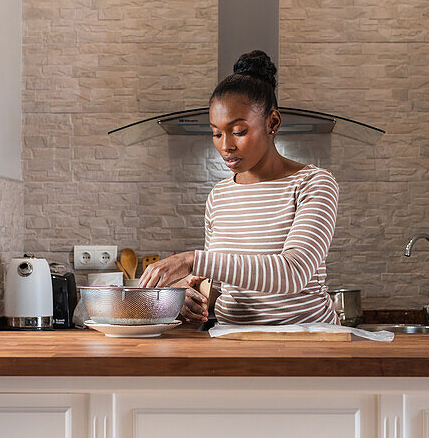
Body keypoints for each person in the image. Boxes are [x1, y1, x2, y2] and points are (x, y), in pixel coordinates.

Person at [139, 50, 340, 326]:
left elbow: (293, 274)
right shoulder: (219, 196)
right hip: (231, 340)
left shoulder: (313, 184)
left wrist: (192, 260)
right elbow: (222, 283)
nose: (225, 146)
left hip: (305, 342)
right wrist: (190, 294)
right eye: (216, 133)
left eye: (238, 131)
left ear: (272, 123)